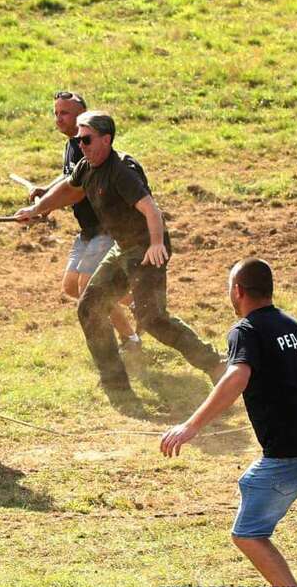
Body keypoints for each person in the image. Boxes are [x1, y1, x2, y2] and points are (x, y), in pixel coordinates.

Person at [15, 111, 224, 391]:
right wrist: (37, 209)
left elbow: (151, 210)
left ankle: (216, 364)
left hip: (146, 248)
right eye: (78, 140)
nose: (81, 146)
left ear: (106, 139)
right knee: (89, 307)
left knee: (153, 320)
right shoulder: (86, 166)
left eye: (86, 139)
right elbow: (68, 188)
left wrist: (158, 245)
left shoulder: (122, 171)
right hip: (122, 248)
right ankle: (115, 381)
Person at [161, 258, 297, 587]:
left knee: (248, 533)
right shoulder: (293, 326)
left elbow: (237, 375)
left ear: (238, 291)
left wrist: (191, 426)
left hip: (290, 453)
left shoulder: (245, 330)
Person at [25, 91, 140, 353]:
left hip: (104, 228)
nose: (58, 118)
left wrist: (42, 207)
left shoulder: (90, 147)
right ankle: (138, 303)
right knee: (71, 287)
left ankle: (128, 340)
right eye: (56, 113)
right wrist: (47, 192)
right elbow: (69, 179)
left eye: (64, 113)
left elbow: (78, 190)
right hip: (87, 230)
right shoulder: (72, 146)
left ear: (82, 116)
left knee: (89, 288)